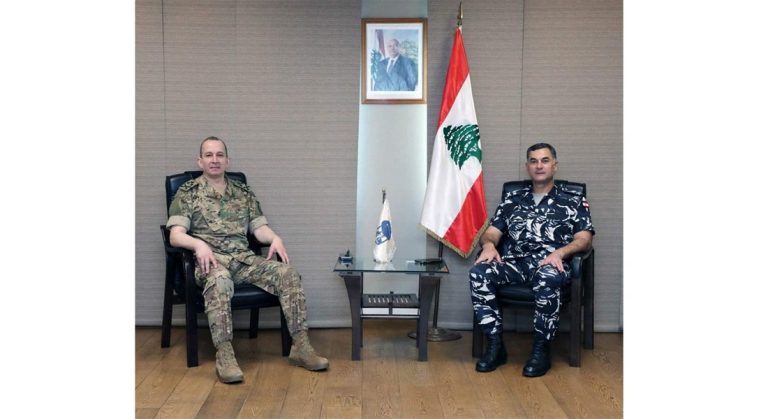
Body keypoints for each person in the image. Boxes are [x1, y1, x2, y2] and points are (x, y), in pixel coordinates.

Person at [166, 136, 329, 384]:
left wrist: (275, 238)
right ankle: (225, 356)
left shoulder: (243, 192)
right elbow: (176, 235)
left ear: (227, 160)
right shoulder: (188, 193)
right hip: (211, 263)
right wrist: (199, 245)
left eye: (219, 155)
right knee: (220, 279)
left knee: (288, 274)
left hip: (243, 260)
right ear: (200, 161)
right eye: (209, 155)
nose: (214, 160)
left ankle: (301, 347)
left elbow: (259, 229)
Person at [470, 143, 594, 377]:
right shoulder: (512, 199)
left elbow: (584, 240)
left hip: (550, 263)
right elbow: (491, 233)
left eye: (545, 160)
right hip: (515, 263)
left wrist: (560, 253)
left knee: (548, 277)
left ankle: (540, 351)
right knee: (480, 272)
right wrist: (488, 245)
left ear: (555, 166)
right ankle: (495, 346)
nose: (539, 166)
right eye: (534, 161)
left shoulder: (573, 200)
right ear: (527, 166)